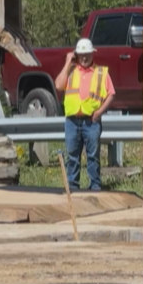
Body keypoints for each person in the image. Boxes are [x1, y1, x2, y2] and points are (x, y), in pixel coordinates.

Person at [54, 38, 115, 191]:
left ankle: (95, 186)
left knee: (93, 156)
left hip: (91, 121)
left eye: (87, 54)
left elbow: (111, 94)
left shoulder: (101, 72)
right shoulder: (71, 70)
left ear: (92, 54)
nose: (84, 58)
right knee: (72, 156)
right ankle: (73, 187)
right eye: (81, 55)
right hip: (72, 121)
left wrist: (100, 112)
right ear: (77, 55)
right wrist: (68, 61)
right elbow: (58, 85)